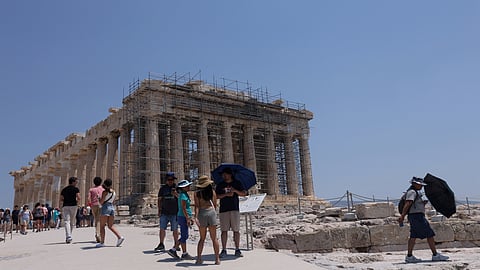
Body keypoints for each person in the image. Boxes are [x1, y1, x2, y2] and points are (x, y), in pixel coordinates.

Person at [398, 177, 450, 263]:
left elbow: (412, 204)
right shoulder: (412, 192)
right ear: (415, 184)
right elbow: (408, 203)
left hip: (414, 216)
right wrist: (402, 216)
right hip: (417, 217)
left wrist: (422, 204)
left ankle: (409, 256)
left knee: (413, 236)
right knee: (429, 234)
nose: (421, 187)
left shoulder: (413, 192)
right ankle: (435, 255)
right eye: (420, 185)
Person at [215, 167, 247, 257]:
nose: (223, 176)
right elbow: (216, 196)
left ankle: (237, 249)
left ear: (230, 174)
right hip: (223, 209)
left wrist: (235, 190)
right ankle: (224, 249)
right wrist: (226, 194)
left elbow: (244, 193)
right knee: (224, 230)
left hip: (234, 209)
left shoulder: (237, 183)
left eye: (225, 174)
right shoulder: (220, 185)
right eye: (223, 174)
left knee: (236, 230)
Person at [194, 175, 220, 265]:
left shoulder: (197, 193)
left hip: (202, 213)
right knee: (214, 238)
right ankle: (217, 259)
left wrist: (196, 217)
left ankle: (199, 258)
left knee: (202, 238)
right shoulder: (212, 192)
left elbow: (197, 206)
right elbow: (215, 205)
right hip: (211, 212)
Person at [167, 180, 194, 260]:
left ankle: (181, 252)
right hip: (183, 217)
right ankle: (175, 250)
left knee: (184, 236)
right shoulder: (183, 195)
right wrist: (188, 218)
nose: (189, 187)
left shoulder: (183, 195)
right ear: (183, 188)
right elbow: (183, 208)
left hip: (183, 216)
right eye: (187, 186)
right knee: (184, 236)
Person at [96, 178, 124, 248]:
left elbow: (101, 202)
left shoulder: (104, 192)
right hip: (112, 207)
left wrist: (99, 198)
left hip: (105, 207)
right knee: (110, 226)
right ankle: (119, 237)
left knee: (102, 226)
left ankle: (102, 242)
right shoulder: (114, 192)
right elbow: (113, 200)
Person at [154, 172, 179, 252]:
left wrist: (176, 194)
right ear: (166, 180)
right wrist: (159, 210)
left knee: (175, 229)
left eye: (172, 180)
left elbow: (182, 199)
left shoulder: (177, 188)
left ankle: (176, 245)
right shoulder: (162, 189)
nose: (171, 181)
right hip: (164, 211)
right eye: (169, 180)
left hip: (174, 212)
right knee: (162, 228)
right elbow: (159, 200)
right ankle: (161, 244)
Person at [59, 176, 81, 243]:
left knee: (66, 221)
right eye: (76, 182)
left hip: (65, 206)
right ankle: (69, 236)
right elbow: (79, 197)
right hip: (73, 206)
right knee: (72, 221)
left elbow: (61, 199)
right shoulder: (76, 189)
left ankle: (68, 236)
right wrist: (77, 203)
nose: (77, 183)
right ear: (73, 182)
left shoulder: (64, 189)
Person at [88, 176, 104, 242]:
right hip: (100, 204)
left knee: (96, 219)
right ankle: (98, 234)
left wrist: (89, 205)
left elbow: (88, 198)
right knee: (99, 220)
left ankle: (97, 233)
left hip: (93, 205)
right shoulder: (103, 189)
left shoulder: (91, 189)